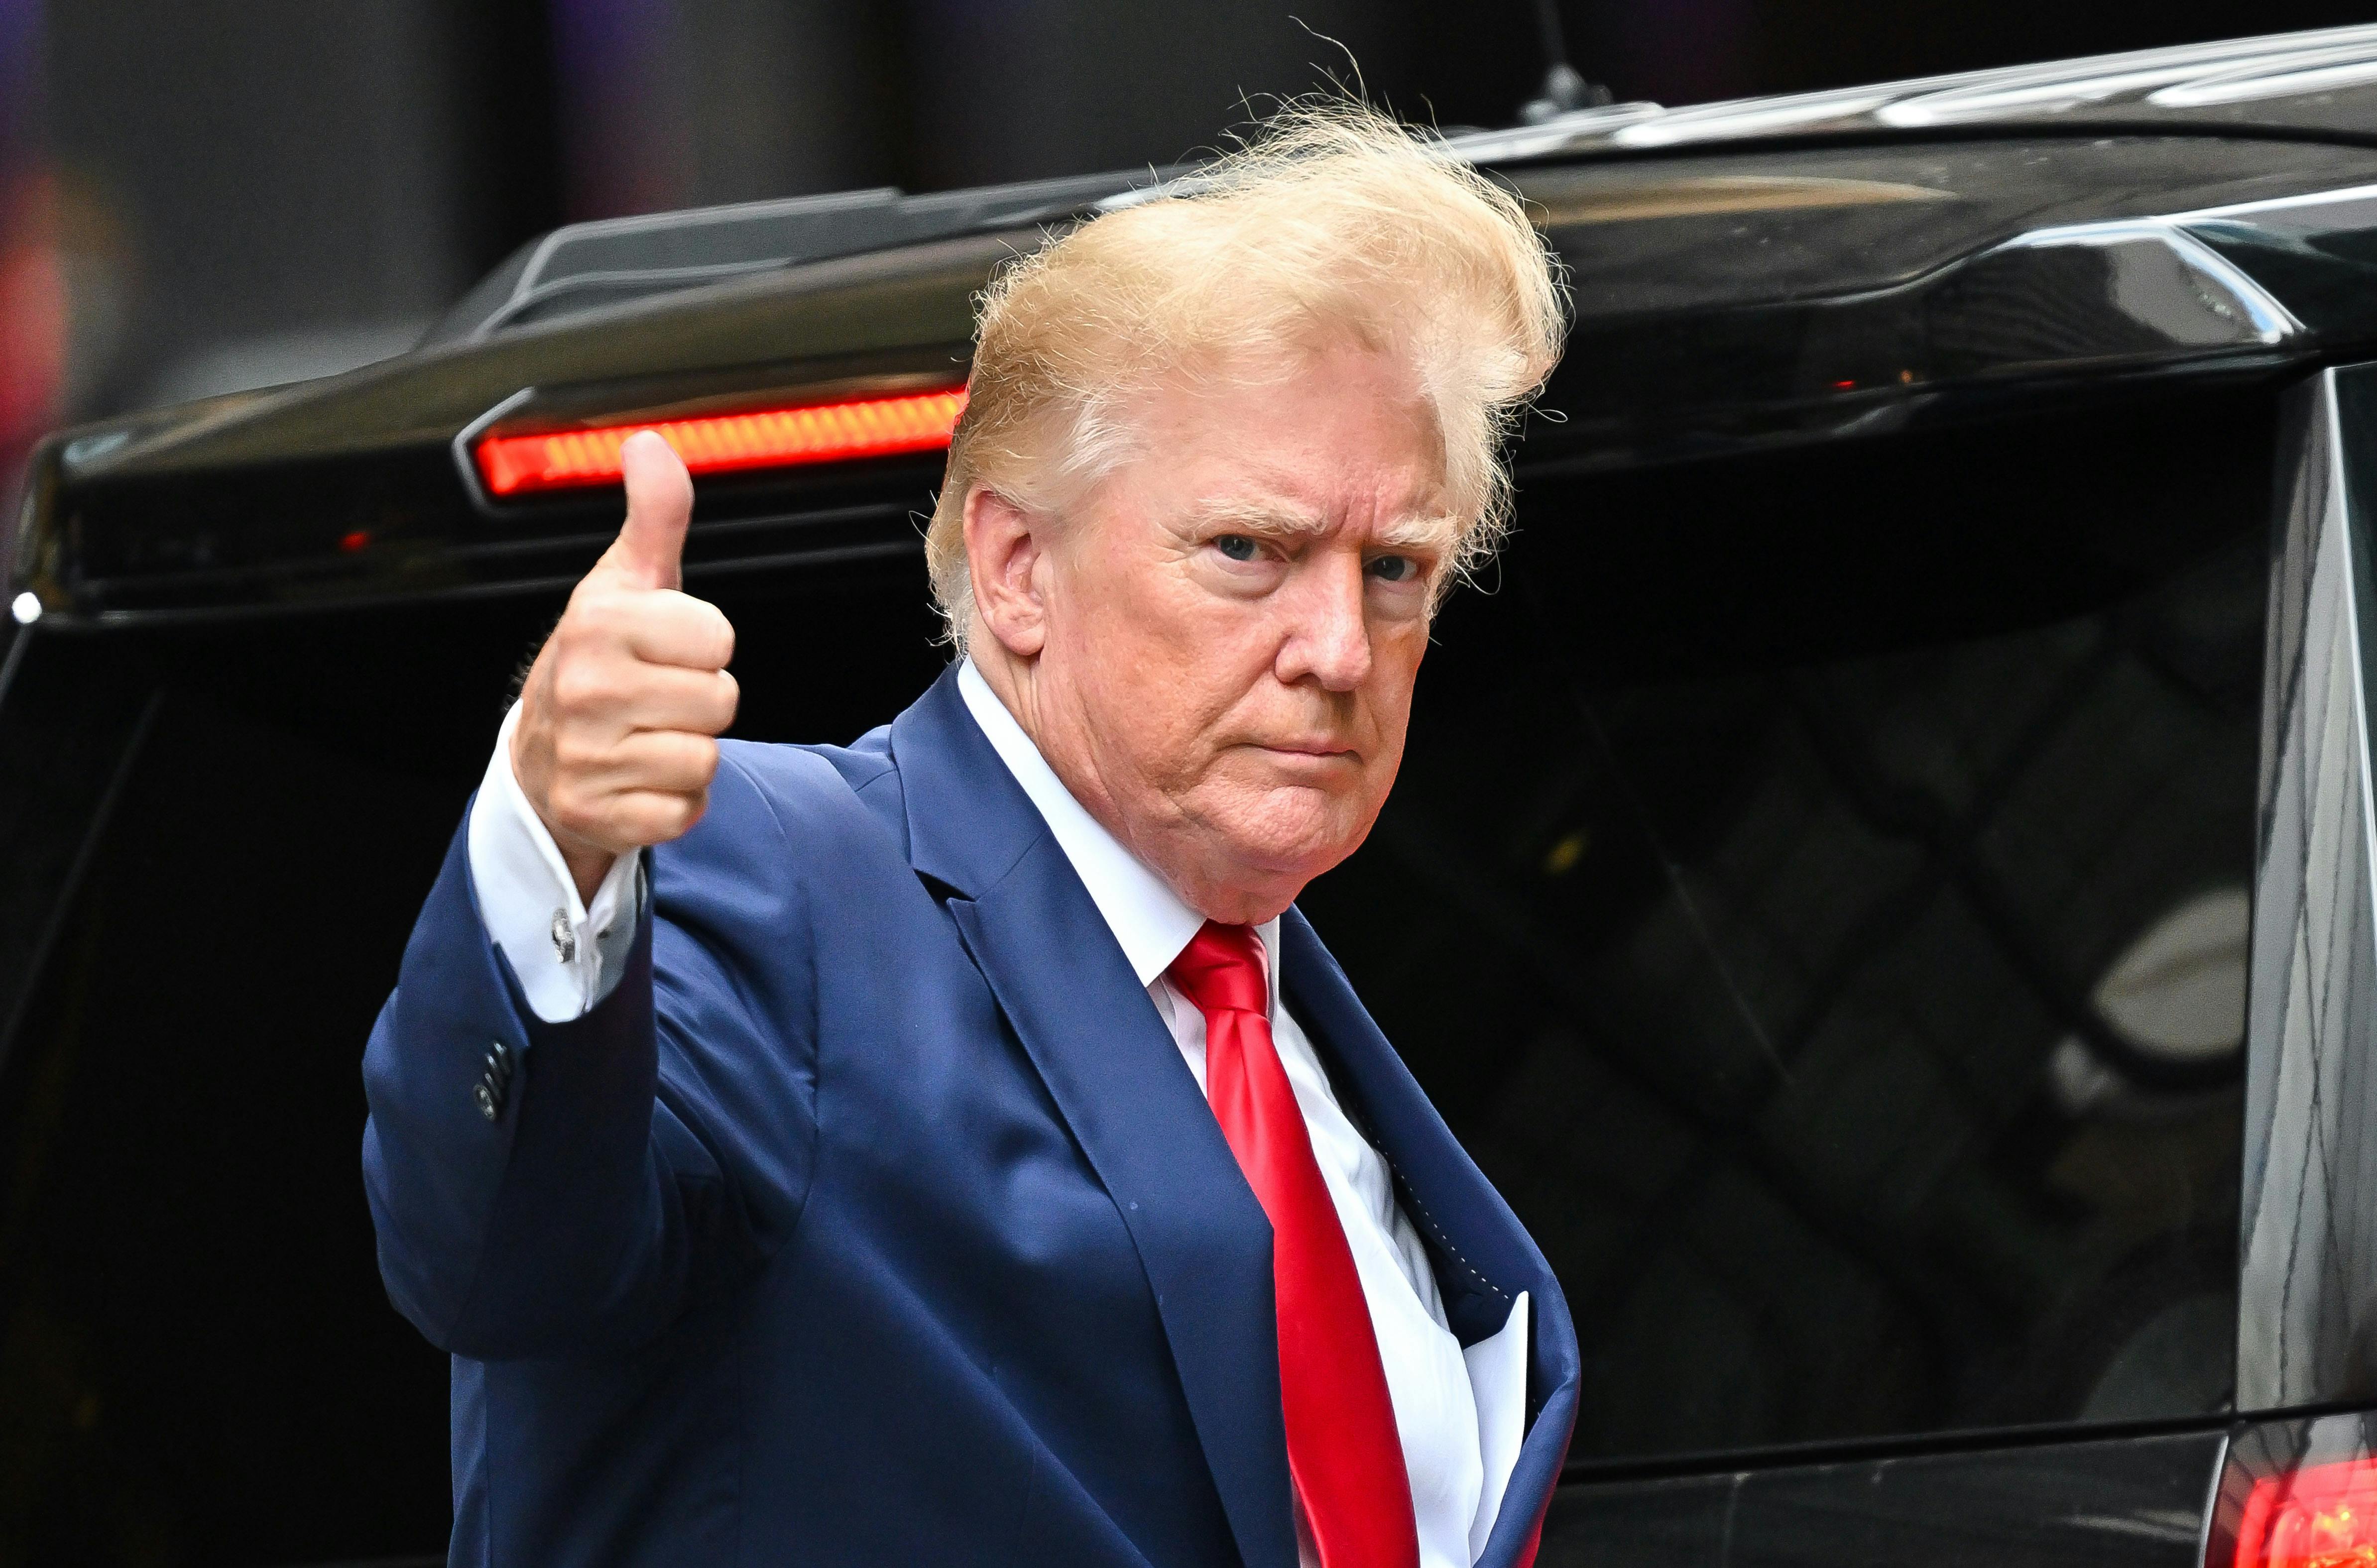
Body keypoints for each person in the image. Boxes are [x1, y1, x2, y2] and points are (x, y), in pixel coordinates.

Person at [362, 102, 1573, 1568]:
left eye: (1395, 568)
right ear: (1015, 569)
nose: (1338, 646)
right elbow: (500, 1258)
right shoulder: (781, 876)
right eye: (1248, 550)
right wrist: (549, 838)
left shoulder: (1301, 1014)